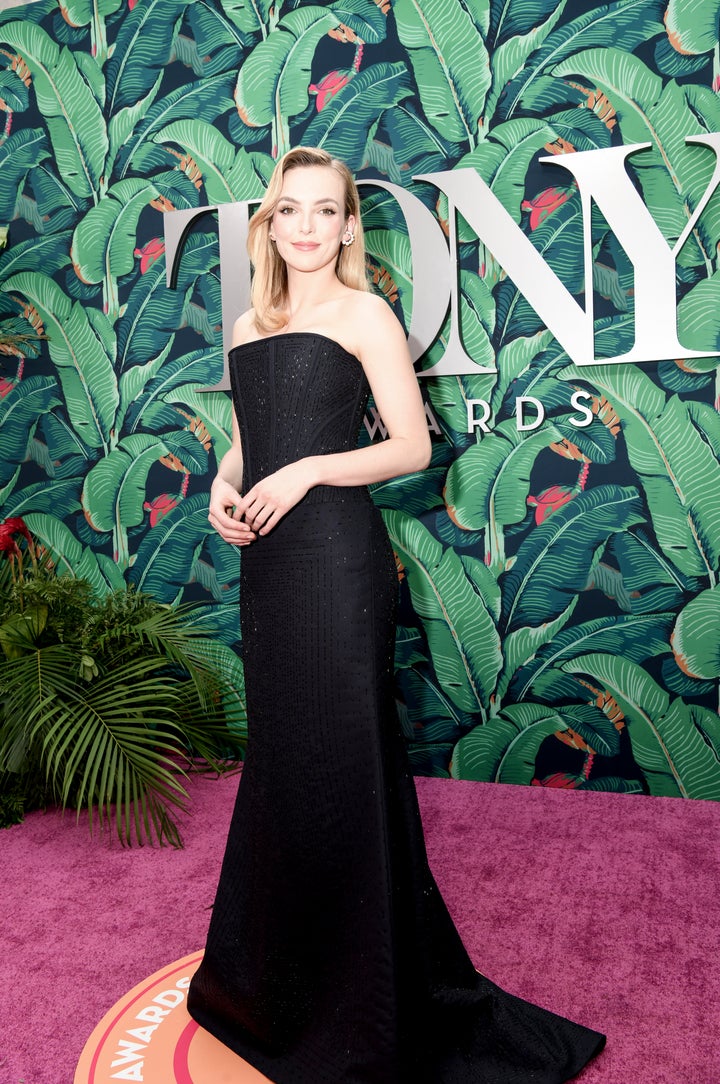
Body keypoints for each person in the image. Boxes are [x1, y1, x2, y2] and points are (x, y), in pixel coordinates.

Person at [187, 146, 605, 1083]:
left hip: (337, 557)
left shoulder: (366, 312)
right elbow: (246, 447)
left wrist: (307, 470)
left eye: (323, 211)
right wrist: (222, 488)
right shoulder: (247, 323)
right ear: (267, 224)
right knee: (288, 758)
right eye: (288, 210)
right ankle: (282, 986)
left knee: (347, 756)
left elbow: (413, 445)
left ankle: (367, 999)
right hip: (269, 564)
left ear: (346, 226)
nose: (304, 226)